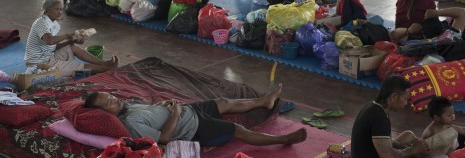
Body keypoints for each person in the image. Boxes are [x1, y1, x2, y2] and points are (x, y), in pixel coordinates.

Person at [84, 84, 307, 147]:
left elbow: (153, 112)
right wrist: (175, 113)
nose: (114, 100)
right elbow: (162, 140)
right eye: (109, 103)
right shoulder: (130, 123)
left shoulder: (129, 107)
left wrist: (164, 105)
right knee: (238, 131)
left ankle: (263, 101)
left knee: (224, 102)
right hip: (193, 128)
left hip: (188, 111)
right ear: (105, 114)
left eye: (110, 96)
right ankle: (283, 140)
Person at [24, 0, 119, 77]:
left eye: (61, 9)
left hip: (49, 57)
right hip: (39, 64)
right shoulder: (40, 23)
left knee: (71, 46)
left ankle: (101, 63)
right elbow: (50, 41)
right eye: (56, 9)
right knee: (78, 68)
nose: (60, 12)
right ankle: (105, 69)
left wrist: (71, 40)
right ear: (47, 10)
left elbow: (53, 46)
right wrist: (66, 36)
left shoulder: (54, 24)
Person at [351, 75, 429, 158]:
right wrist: (413, 150)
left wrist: (406, 148)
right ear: (394, 97)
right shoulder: (379, 117)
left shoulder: (375, 106)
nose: (406, 103)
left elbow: (381, 142)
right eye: (405, 98)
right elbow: (388, 156)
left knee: (409, 135)